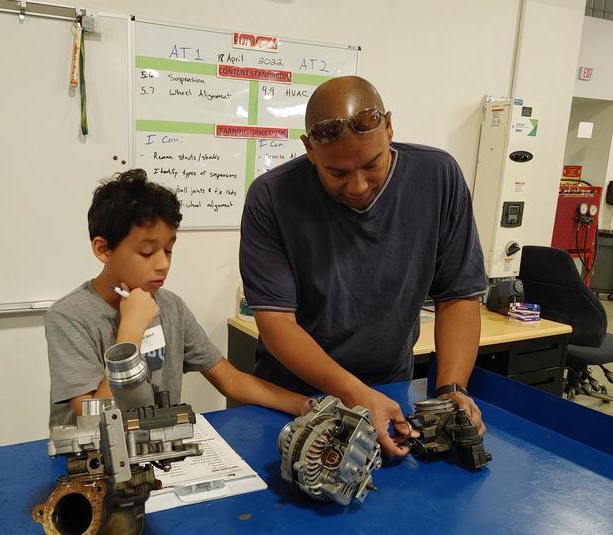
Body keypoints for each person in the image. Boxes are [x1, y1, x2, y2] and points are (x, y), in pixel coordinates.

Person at [239, 76, 487, 457]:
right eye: (336, 173)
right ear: (309, 149)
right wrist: (354, 394)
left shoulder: (438, 177)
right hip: (294, 397)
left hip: (389, 389)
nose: (357, 186)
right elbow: (276, 325)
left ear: (389, 127)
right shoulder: (271, 197)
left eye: (372, 165)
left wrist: (452, 390)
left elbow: (458, 295)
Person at [45, 169, 310, 428]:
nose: (162, 264)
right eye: (147, 252)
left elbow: (231, 380)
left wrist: (305, 405)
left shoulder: (171, 306)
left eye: (168, 250)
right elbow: (91, 422)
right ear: (103, 249)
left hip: (155, 452)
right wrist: (131, 332)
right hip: (93, 462)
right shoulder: (70, 316)